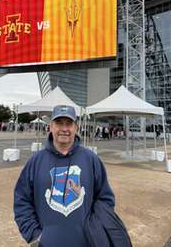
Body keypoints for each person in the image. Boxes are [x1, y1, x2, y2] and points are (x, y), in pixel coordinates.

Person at [14, 105, 131, 247]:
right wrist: (34, 235)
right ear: (51, 127)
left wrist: (96, 228)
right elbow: (22, 200)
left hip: (86, 243)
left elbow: (105, 199)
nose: (64, 129)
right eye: (59, 123)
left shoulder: (91, 159)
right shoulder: (36, 161)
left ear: (76, 127)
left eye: (69, 123)